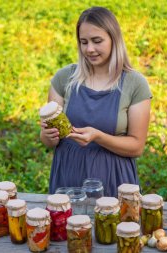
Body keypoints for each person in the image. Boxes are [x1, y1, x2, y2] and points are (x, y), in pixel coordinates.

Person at [40, 6, 152, 197]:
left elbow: (137, 146)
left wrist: (98, 136)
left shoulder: (135, 83)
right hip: (68, 178)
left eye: (97, 41)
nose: (89, 49)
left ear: (113, 39)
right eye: (84, 42)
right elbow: (47, 140)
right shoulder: (64, 78)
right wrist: (48, 136)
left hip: (114, 180)